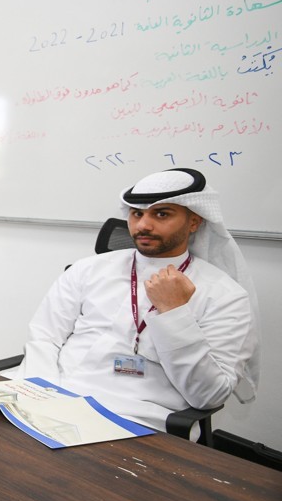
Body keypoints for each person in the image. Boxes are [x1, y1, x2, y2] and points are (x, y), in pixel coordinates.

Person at [16, 167, 259, 434]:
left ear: (194, 222)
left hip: (139, 420)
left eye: (161, 214)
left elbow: (208, 395)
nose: (143, 225)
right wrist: (40, 393)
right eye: (137, 214)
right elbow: (44, 336)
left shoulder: (225, 295)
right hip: (56, 397)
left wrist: (174, 313)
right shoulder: (88, 269)